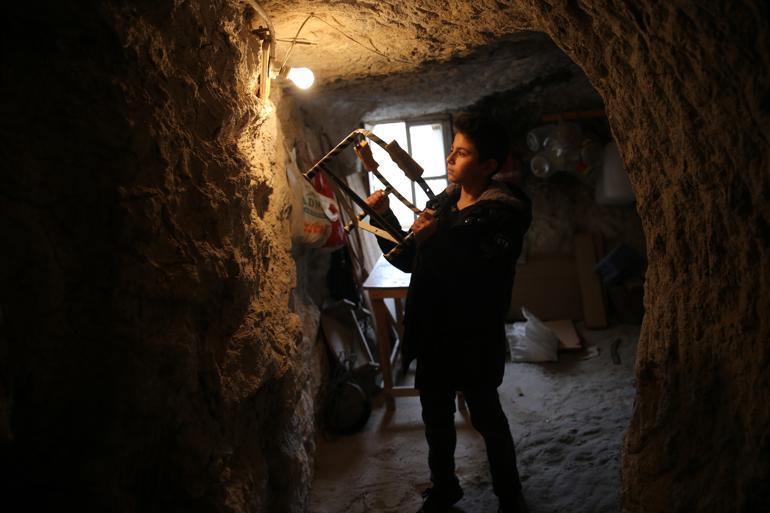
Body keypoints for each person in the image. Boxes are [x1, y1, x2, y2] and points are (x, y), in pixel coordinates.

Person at [364, 112, 532, 513]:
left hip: (474, 331)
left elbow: (473, 270)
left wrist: (432, 241)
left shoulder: (504, 213)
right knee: (436, 417)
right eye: (452, 149)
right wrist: (383, 214)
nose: (450, 158)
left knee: (486, 415)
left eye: (462, 153)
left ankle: (509, 495)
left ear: (489, 165)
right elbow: (408, 259)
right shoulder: (443, 202)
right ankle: (444, 488)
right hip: (434, 328)